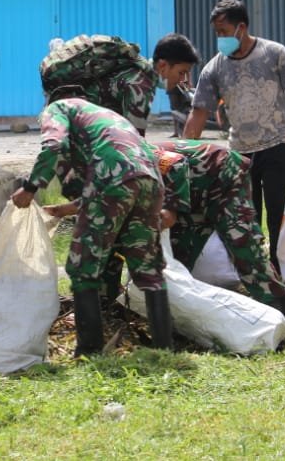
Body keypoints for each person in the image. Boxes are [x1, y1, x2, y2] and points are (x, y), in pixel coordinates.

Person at [11, 97, 172, 355]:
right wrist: (65, 209)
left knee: (83, 266)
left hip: (114, 174)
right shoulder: (101, 115)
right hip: (150, 179)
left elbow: (54, 146)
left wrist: (31, 187)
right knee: (148, 267)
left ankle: (89, 351)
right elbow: (113, 182)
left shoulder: (56, 110)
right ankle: (165, 348)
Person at [183, 0, 285, 272]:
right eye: (217, 33)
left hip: (278, 143)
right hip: (241, 153)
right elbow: (199, 113)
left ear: (242, 27)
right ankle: (255, 271)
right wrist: (181, 149)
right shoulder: (214, 69)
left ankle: (280, 268)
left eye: (225, 32)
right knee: (247, 216)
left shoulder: (274, 53)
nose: (221, 39)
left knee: (279, 212)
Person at [156, 139, 285, 309]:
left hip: (222, 174)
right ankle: (171, 309)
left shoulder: (132, 158)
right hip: (190, 194)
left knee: (242, 242)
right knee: (177, 255)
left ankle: (276, 302)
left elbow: (175, 164)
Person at [48, 33, 200, 135]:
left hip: (67, 115)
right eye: (182, 73)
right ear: (162, 66)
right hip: (68, 122)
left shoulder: (136, 69)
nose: (184, 80)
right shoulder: (142, 85)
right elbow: (134, 143)